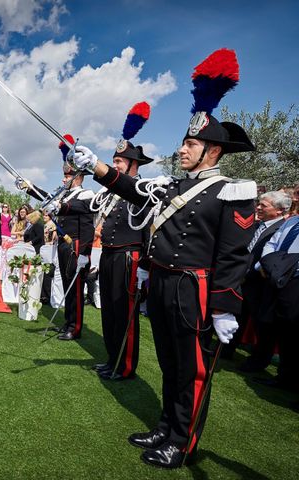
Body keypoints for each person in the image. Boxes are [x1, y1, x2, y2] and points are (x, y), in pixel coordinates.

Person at [72, 49, 257, 468]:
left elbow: (233, 255)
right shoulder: (171, 187)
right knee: (171, 363)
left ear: (213, 150)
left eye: (191, 143)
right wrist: (99, 167)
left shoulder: (232, 189)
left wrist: (226, 307)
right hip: (163, 284)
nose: (183, 149)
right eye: (185, 142)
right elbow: (132, 190)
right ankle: (166, 427)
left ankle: (184, 443)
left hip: (196, 289)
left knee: (191, 370)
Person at [92, 102, 152, 381]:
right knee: (110, 310)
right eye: (113, 161)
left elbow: (149, 230)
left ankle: (125, 365)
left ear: (133, 164)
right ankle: (111, 357)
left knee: (125, 311)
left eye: (118, 162)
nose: (114, 166)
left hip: (130, 256)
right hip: (108, 254)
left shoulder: (142, 188)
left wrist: (146, 266)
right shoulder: (112, 192)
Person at [17, 134, 96, 340]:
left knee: (75, 288)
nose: (63, 179)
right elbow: (46, 197)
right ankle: (68, 322)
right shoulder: (65, 195)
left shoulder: (86, 194)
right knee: (68, 286)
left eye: (67, 176)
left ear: (77, 177)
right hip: (63, 244)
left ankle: (75, 327)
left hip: (77, 244)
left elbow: (87, 227)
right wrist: (29, 186)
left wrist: (85, 253)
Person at [222, 191, 290, 368]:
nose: (258, 208)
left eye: (264, 205)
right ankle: (226, 350)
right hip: (243, 280)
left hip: (260, 284)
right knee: (237, 316)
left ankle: (258, 361)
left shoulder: (280, 229)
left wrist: (248, 275)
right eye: (258, 204)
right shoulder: (257, 224)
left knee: (261, 325)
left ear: (279, 210)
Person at [254, 213, 299, 394]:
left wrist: (288, 270)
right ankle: (283, 376)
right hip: (274, 276)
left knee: (291, 330)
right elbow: (272, 243)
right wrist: (266, 266)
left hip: (294, 280)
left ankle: (291, 379)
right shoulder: (293, 221)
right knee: (277, 326)